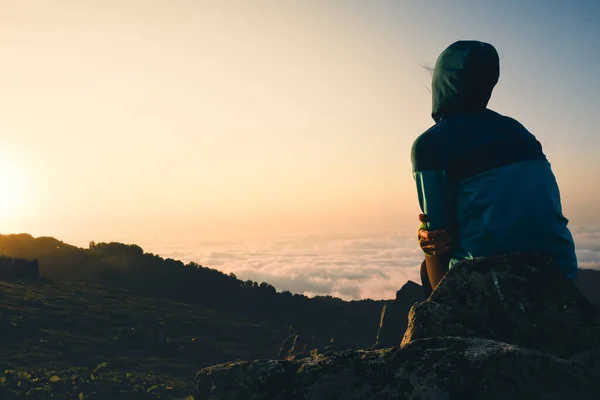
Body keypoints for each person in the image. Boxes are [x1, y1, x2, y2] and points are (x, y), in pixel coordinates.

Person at [411, 40, 577, 296]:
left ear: (443, 83)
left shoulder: (430, 145)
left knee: (428, 261)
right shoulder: (520, 132)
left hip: (494, 284)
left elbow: (439, 234)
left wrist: (426, 235)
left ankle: (446, 319)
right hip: (562, 271)